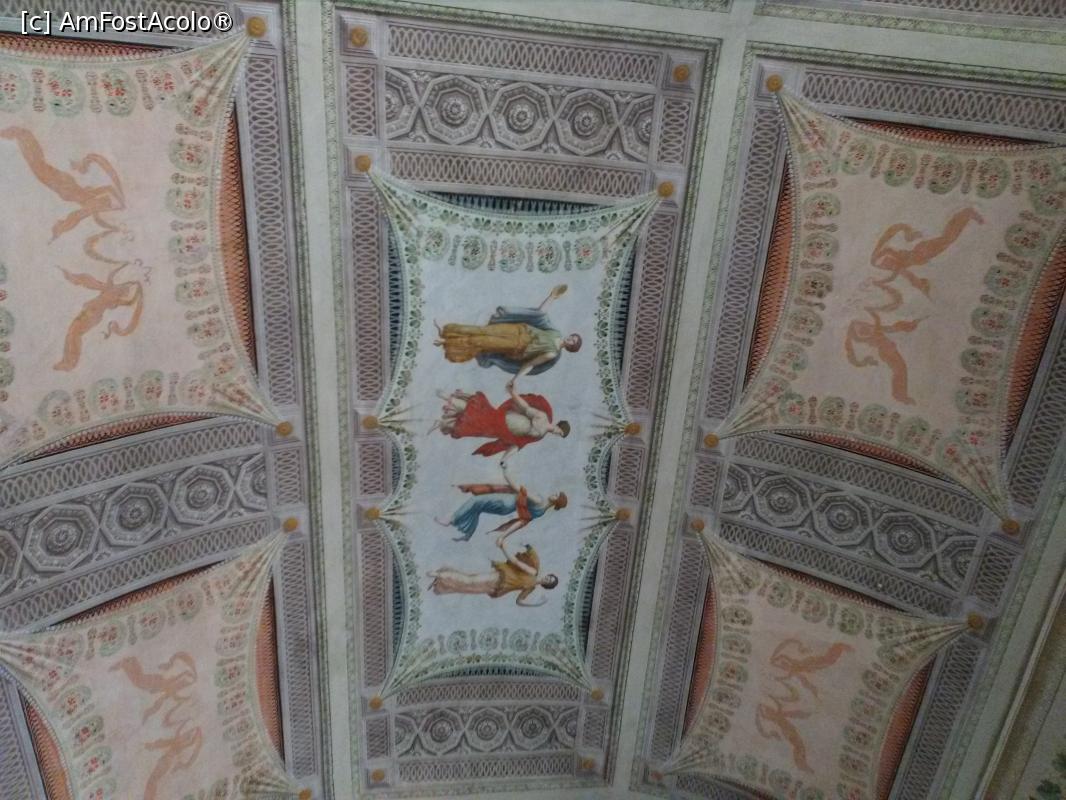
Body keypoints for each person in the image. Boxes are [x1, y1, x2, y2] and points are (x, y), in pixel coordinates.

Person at [434, 284, 581, 379]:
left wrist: (515, 379)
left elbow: (530, 365)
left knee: (481, 342)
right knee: (482, 330)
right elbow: (541, 315)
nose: (570, 339)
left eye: (572, 342)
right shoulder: (555, 333)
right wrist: (552, 297)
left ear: (570, 347)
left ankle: (447, 342)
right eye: (572, 337)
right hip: (517, 330)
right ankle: (447, 332)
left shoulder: (552, 353)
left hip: (515, 346)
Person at [431, 382, 570, 459]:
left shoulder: (540, 436)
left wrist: (505, 459)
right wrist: (513, 393)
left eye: (560, 435)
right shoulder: (543, 417)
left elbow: (518, 444)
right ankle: (448, 399)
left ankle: (445, 415)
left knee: (476, 424)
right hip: (503, 420)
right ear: (559, 426)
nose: (557, 434)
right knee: (478, 416)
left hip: (502, 431)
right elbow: (525, 407)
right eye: (560, 432)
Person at [435, 460, 567, 541]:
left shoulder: (539, 500)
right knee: (478, 507)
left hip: (507, 501)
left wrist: (505, 470)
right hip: (506, 509)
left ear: (555, 502)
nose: (553, 493)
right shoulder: (541, 512)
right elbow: (522, 522)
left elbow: (516, 487)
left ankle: (451, 520)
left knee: (475, 500)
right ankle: (468, 533)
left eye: (556, 495)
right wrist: (503, 536)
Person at [427, 538, 558, 607]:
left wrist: (537, 604)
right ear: (547, 575)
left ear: (546, 585)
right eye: (549, 577)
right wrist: (503, 547)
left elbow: (519, 601)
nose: (547, 579)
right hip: (499, 577)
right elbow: (515, 562)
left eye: (549, 582)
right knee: (470, 580)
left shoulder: (531, 588)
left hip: (497, 588)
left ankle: (441, 580)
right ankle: (438, 575)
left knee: (467, 587)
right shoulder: (533, 572)